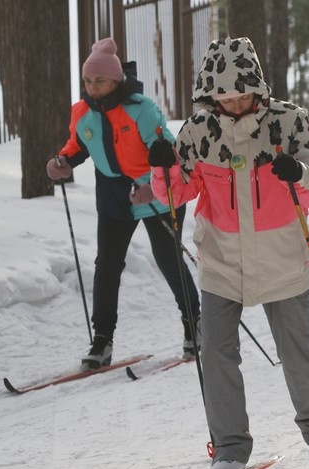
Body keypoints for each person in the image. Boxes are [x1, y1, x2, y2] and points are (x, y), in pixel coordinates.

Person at [148, 37, 309, 469]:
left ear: (257, 88)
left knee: (298, 351)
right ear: (210, 94)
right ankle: (229, 448)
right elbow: (174, 197)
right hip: (220, 263)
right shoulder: (197, 131)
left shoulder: (288, 122)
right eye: (223, 96)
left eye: (241, 94)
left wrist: (298, 172)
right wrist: (163, 168)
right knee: (215, 352)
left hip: (282, 259)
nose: (233, 104)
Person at [47, 38, 200, 370]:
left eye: (98, 80)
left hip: (158, 189)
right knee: (107, 265)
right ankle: (102, 340)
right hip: (113, 193)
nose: (92, 87)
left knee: (168, 258)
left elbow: (167, 152)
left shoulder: (141, 109)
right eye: (87, 81)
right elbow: (78, 145)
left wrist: (150, 186)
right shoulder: (83, 112)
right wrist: (62, 161)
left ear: (115, 79)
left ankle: (194, 326)